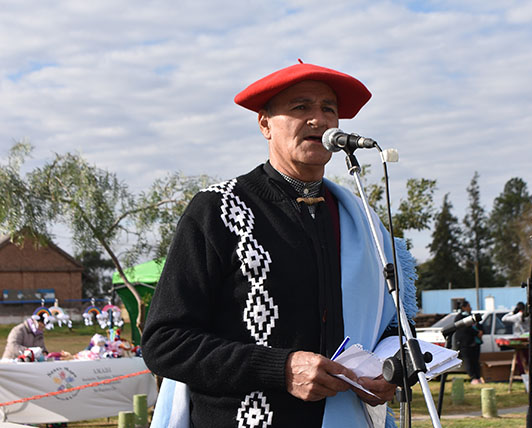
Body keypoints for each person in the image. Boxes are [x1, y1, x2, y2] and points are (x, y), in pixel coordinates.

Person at [141, 61, 419, 427]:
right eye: (300, 107)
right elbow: (165, 341)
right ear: (265, 124)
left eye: (328, 109)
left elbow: (393, 326)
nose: (318, 120)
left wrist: (392, 370)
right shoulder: (218, 209)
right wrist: (281, 368)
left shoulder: (364, 224)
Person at [453, 300, 484, 384]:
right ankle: (473, 377)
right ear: (464, 307)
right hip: (466, 343)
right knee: (468, 361)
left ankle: (478, 376)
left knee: (475, 361)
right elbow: (464, 329)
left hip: (475, 342)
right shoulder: (459, 317)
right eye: (468, 306)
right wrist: (476, 333)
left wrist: (481, 331)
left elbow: (479, 325)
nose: (470, 308)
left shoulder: (472, 316)